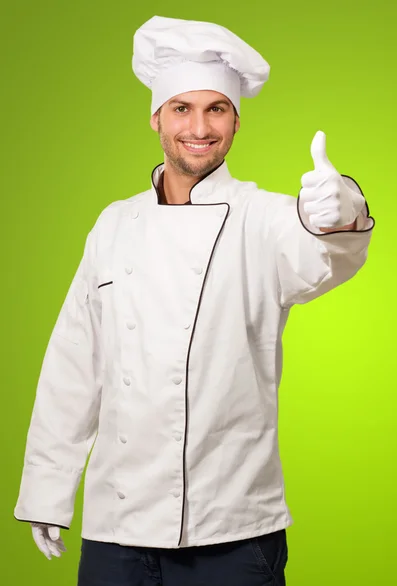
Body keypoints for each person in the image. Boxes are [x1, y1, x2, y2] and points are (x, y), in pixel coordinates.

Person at [14, 14, 375, 586]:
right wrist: (47, 490)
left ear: (236, 120)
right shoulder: (114, 225)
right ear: (156, 116)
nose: (199, 127)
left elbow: (325, 258)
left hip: (233, 532)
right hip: (117, 531)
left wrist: (345, 209)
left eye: (217, 109)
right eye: (182, 108)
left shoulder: (269, 218)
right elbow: (74, 365)